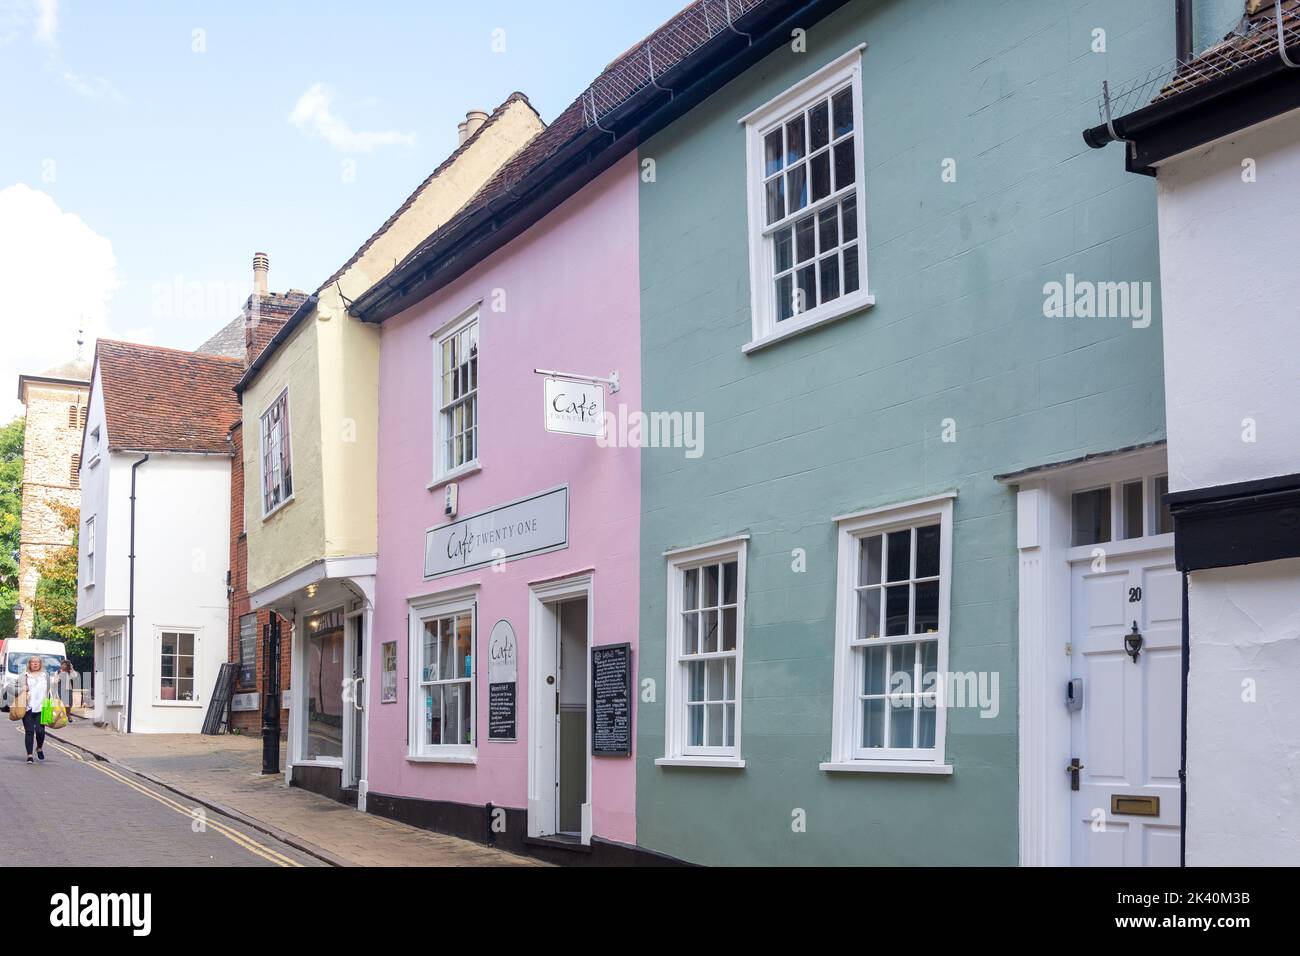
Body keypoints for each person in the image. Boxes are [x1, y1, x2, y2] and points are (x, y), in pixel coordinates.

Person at [20, 656, 53, 764]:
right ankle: (29, 755)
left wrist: (51, 705)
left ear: (40, 664)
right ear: (29, 664)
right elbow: (13, 688)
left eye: (37, 662)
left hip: (42, 707)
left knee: (40, 731)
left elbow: (49, 691)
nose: (35, 664)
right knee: (29, 732)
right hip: (27, 707)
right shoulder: (24, 676)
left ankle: (39, 747)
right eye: (33, 662)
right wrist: (21, 688)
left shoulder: (45, 676)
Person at [57, 660, 76, 724]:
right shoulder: (58, 672)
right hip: (60, 689)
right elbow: (54, 681)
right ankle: (62, 716)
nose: (63, 666)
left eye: (65, 665)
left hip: (68, 689)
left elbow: (74, 676)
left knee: (69, 704)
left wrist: (72, 668)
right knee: (61, 703)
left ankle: (68, 715)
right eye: (62, 664)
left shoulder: (69, 672)